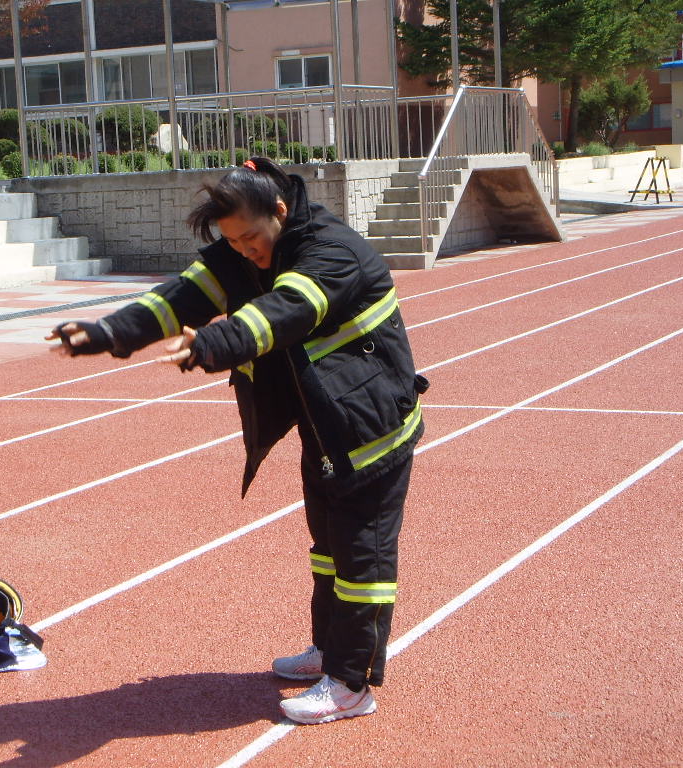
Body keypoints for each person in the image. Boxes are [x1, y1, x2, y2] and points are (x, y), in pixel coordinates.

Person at [46, 157, 428, 725]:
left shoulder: (332, 251)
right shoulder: (246, 251)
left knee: (361, 555)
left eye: (251, 238)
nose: (246, 251)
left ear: (280, 211)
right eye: (234, 242)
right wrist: (107, 333)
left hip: (371, 428)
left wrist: (211, 345)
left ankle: (352, 683)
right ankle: (328, 650)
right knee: (327, 548)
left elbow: (285, 310)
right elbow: (180, 297)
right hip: (327, 423)